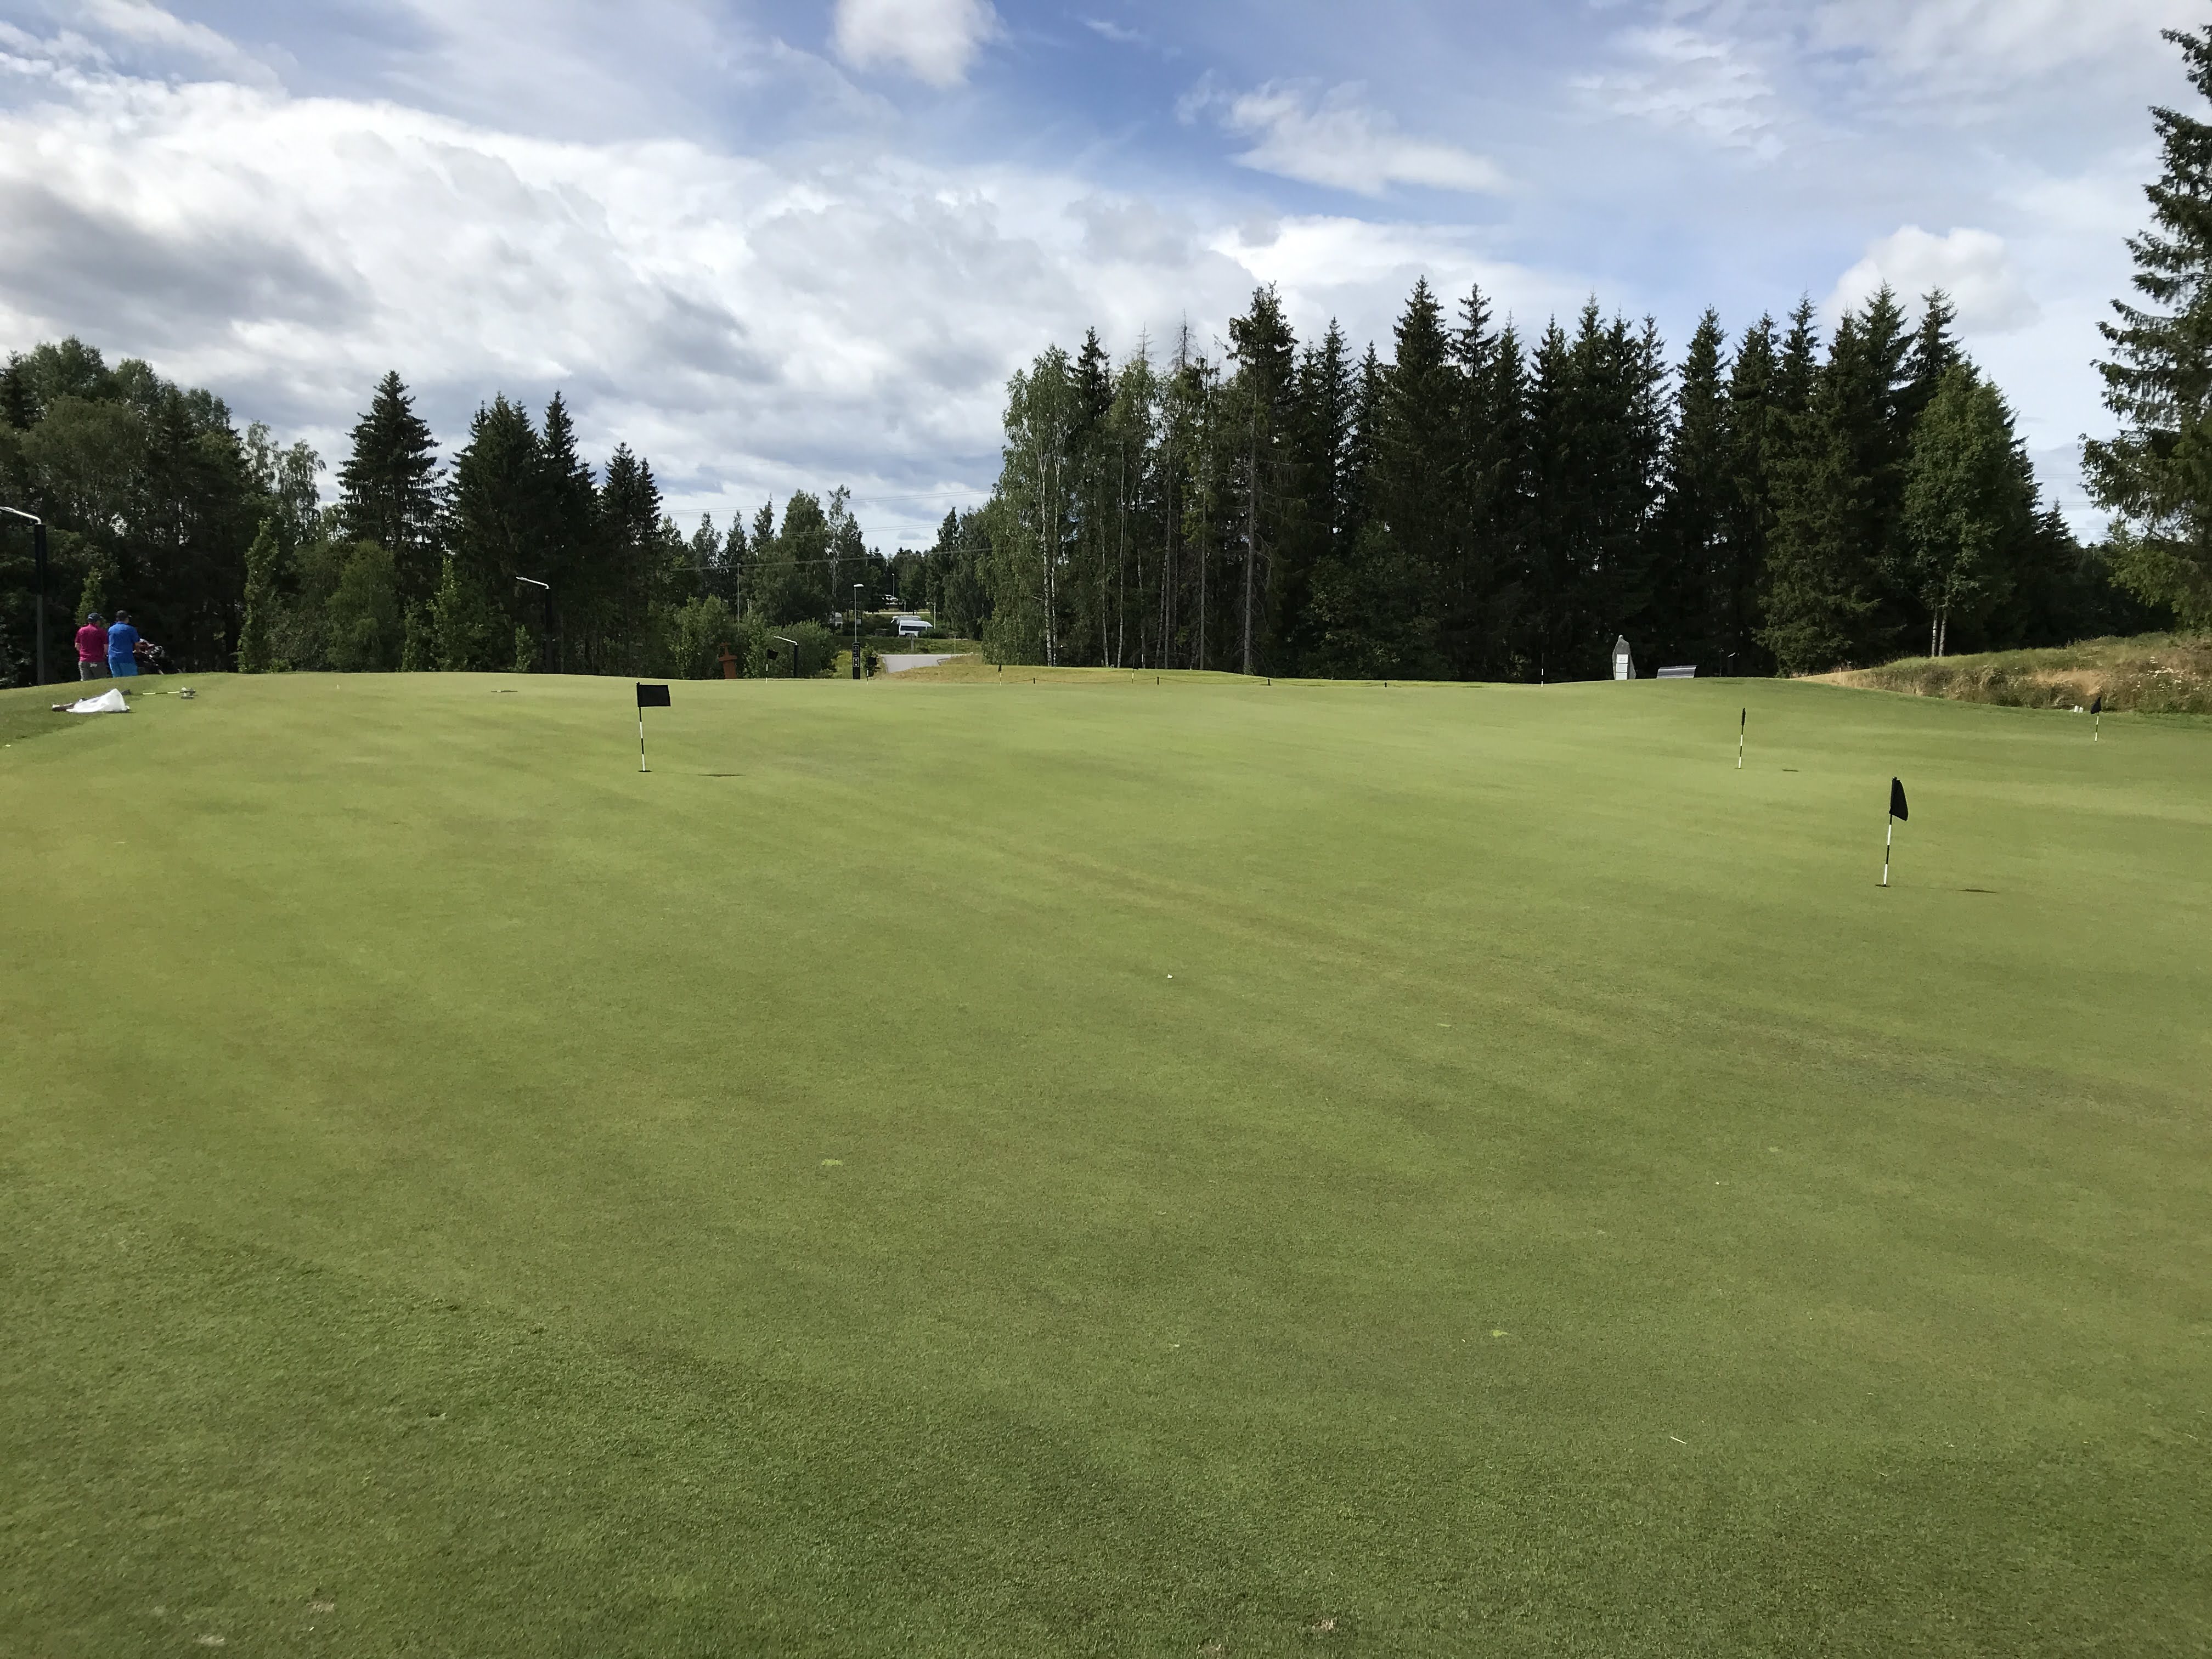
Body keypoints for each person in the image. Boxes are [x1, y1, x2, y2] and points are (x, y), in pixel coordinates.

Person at [106, 611, 140, 679]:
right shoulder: (130, 629)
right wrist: (138, 651)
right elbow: (137, 644)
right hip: (126, 657)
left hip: (113, 657)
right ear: (127, 619)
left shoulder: (111, 629)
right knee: (130, 678)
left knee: (117, 678)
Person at [76, 612, 109, 680]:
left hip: (84, 661)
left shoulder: (81, 630)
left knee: (86, 682)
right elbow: (106, 648)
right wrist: (104, 655)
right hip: (97, 660)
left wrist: (83, 653)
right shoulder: (101, 631)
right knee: (101, 681)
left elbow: (77, 646)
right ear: (98, 621)